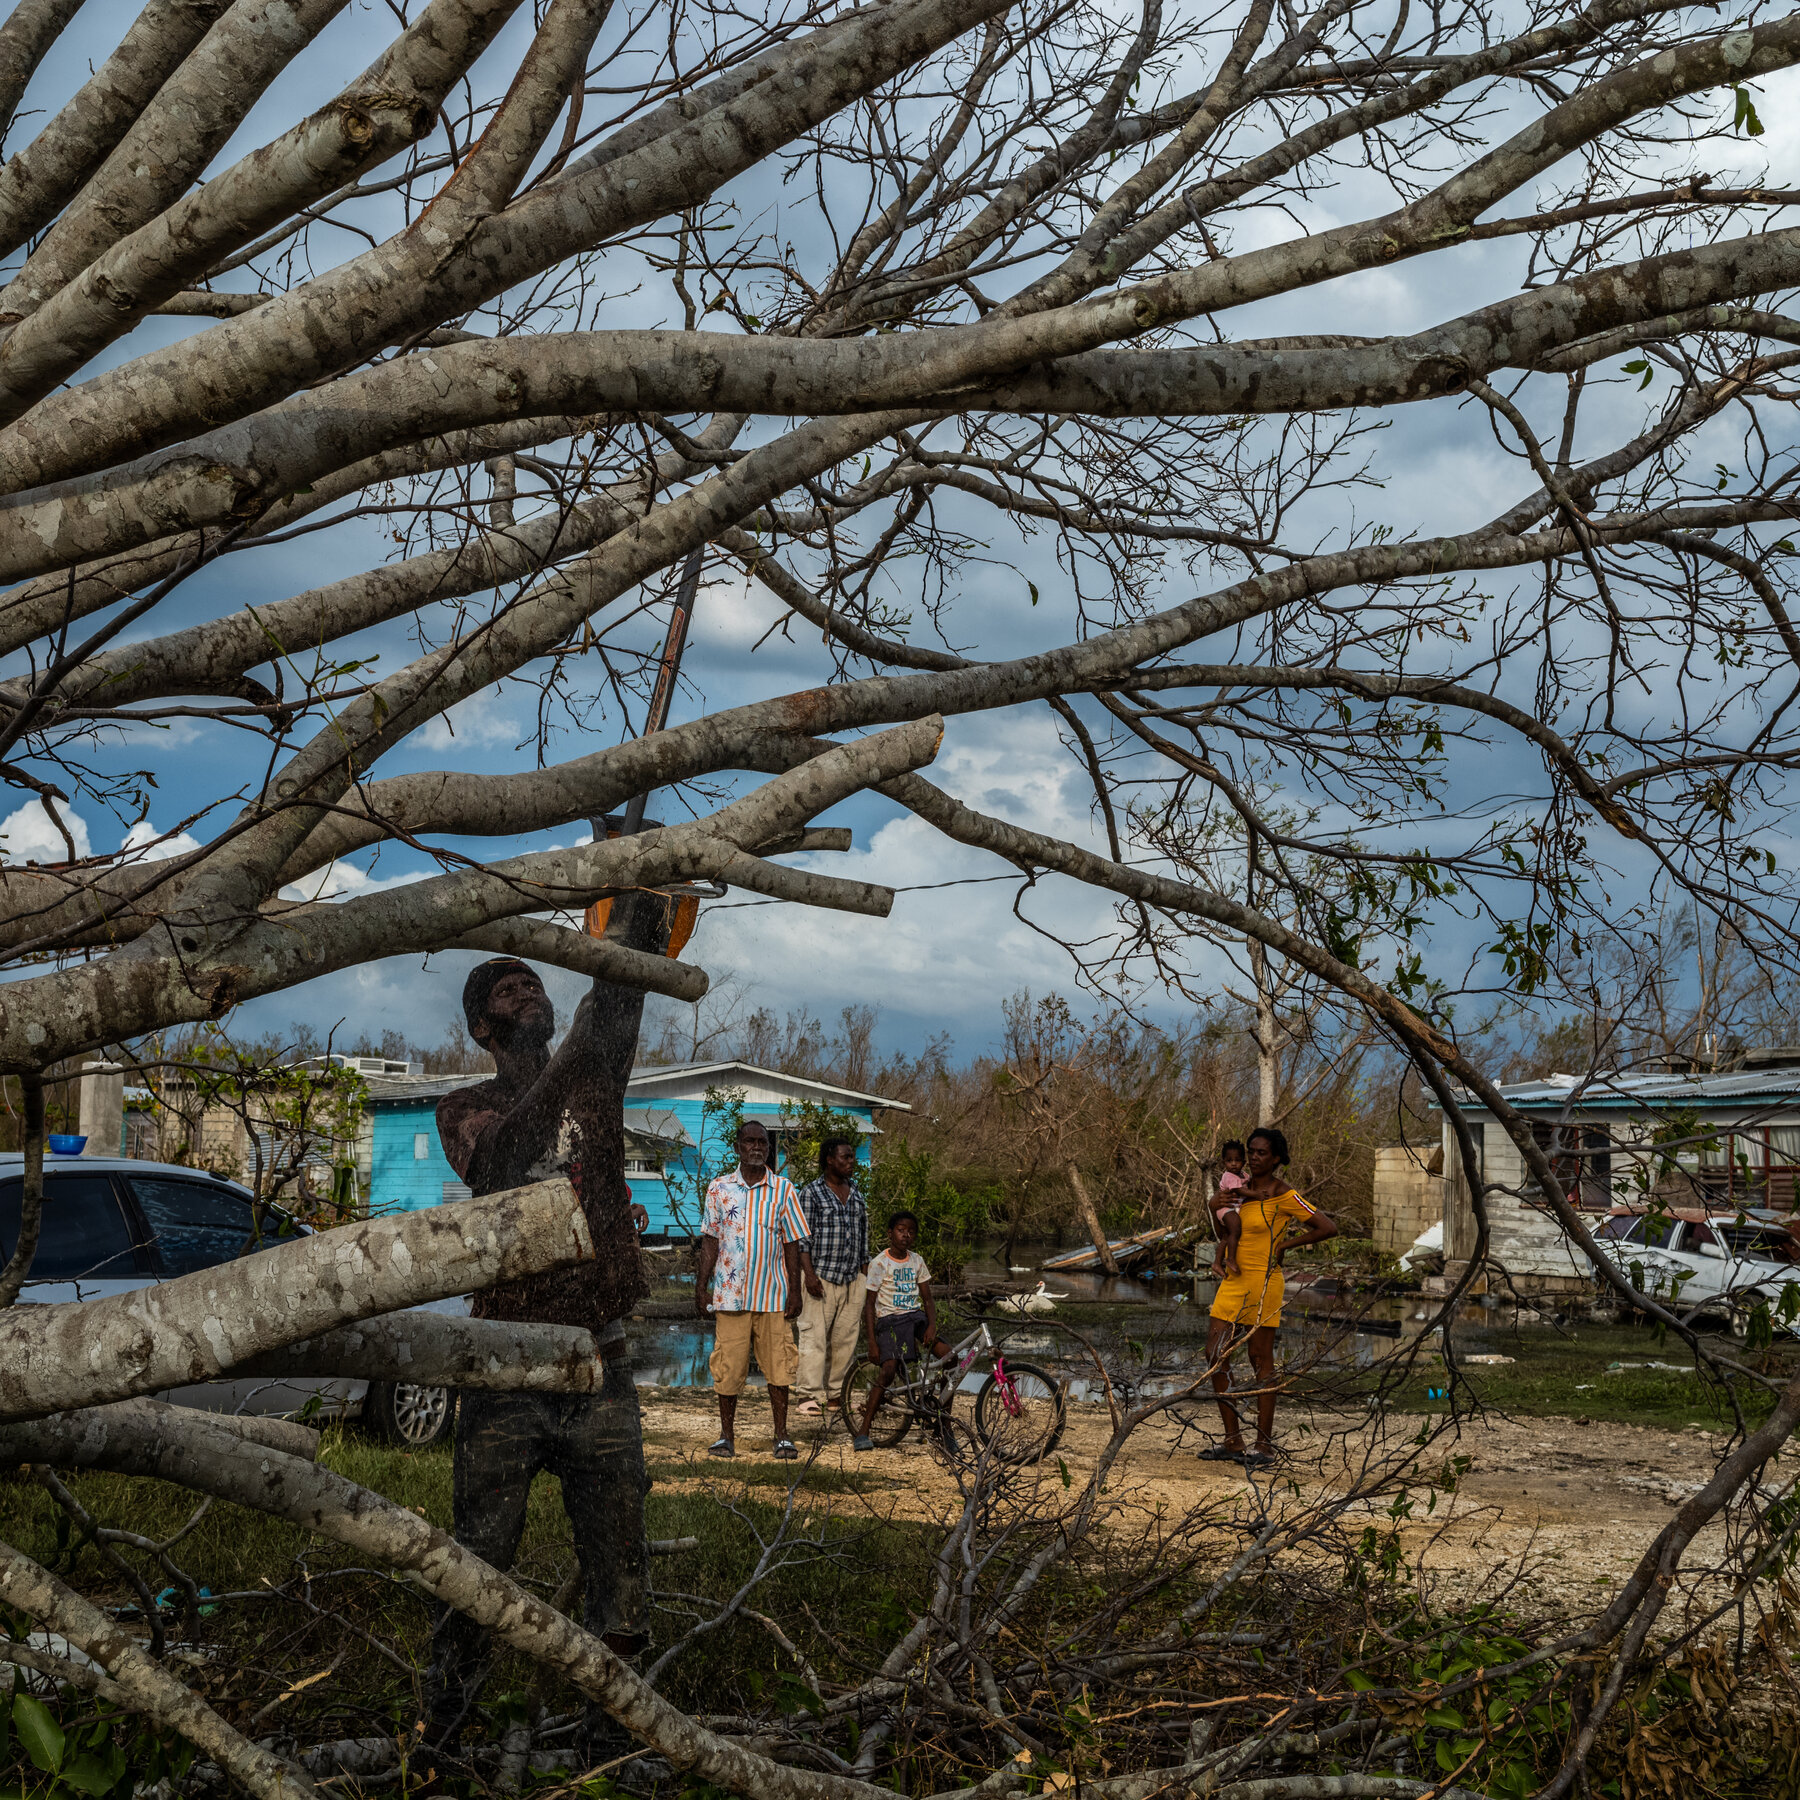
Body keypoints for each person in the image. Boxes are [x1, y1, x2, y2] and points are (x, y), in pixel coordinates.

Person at [426, 956, 654, 1762]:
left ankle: (613, 1745)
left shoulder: (599, 1084)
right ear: (481, 1027)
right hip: (507, 1367)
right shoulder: (466, 1106)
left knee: (620, 1566)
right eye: (506, 990)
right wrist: (570, 1062)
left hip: (600, 1359)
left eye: (535, 984)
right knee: (479, 1559)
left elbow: (623, 986)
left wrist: (630, 892)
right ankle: (445, 1738)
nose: (528, 993)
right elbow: (494, 1164)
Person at [1200, 1126, 1336, 1469]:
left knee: (1260, 1359)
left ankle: (1264, 1446)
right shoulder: (1237, 1188)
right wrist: (1213, 1205)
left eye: (1262, 1152)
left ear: (1276, 1158)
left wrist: (1285, 1244)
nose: (1255, 1157)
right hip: (1233, 1279)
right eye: (1252, 1151)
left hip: (1263, 1283)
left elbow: (1327, 1227)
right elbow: (1224, 1231)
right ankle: (1233, 1441)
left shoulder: (1284, 1194)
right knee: (1215, 1353)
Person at [696, 1118, 808, 1459]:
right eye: (750, 1141)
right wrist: (702, 1286)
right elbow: (710, 1241)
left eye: (762, 1142)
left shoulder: (784, 1190)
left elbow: (792, 1242)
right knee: (728, 1367)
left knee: (779, 1367)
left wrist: (795, 1290)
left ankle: (782, 1435)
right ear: (737, 1147)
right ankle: (726, 1436)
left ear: (768, 1148)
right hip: (729, 1297)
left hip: (772, 1294)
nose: (757, 1147)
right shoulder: (719, 1188)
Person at [852, 1211, 950, 1451]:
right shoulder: (879, 1263)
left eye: (911, 1231)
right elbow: (869, 1304)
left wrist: (931, 1326)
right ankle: (863, 1430)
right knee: (888, 1370)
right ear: (890, 1233)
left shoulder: (917, 1261)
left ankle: (944, 1424)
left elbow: (927, 1300)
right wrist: (872, 1342)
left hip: (915, 1319)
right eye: (900, 1230)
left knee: (950, 1358)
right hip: (890, 1322)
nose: (906, 1235)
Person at [793, 1135, 869, 1420]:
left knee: (846, 1340)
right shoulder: (812, 1193)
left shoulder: (857, 1192)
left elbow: (864, 1236)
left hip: (852, 1279)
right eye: (845, 1157)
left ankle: (837, 1394)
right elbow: (802, 1239)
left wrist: (863, 1275)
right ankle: (809, 1395)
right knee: (813, 1338)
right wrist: (809, 1276)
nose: (851, 1162)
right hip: (821, 1277)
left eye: (852, 1157)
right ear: (829, 1159)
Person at [1210, 1139, 1248, 1280]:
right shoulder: (1229, 1176)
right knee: (1236, 1229)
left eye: (1237, 1160)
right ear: (1224, 1162)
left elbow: (1248, 1183)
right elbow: (1239, 1190)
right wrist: (1256, 1193)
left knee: (1226, 1237)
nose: (1233, 1164)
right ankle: (1231, 1259)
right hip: (1225, 1208)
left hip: (1230, 1208)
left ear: (1243, 1162)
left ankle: (1216, 1263)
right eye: (1229, 1160)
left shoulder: (1244, 1175)